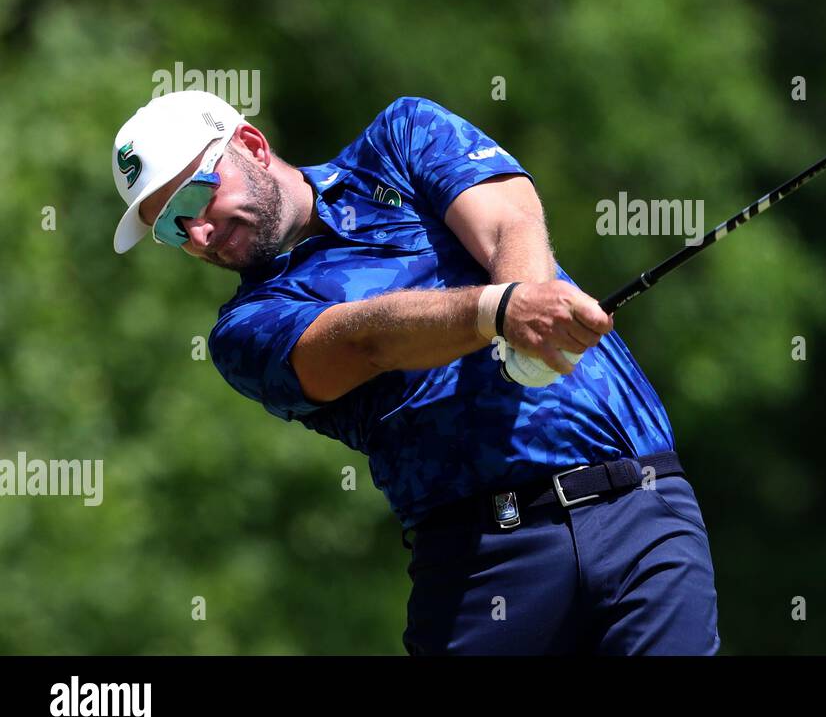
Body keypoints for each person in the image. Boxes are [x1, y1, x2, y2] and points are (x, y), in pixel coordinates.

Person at [111, 89, 721, 655]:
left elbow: (510, 220)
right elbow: (364, 342)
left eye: (194, 197)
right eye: (171, 229)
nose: (199, 232)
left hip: (642, 508)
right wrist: (499, 311)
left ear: (250, 146)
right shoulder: (244, 329)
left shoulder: (401, 137)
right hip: (482, 566)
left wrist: (525, 305)